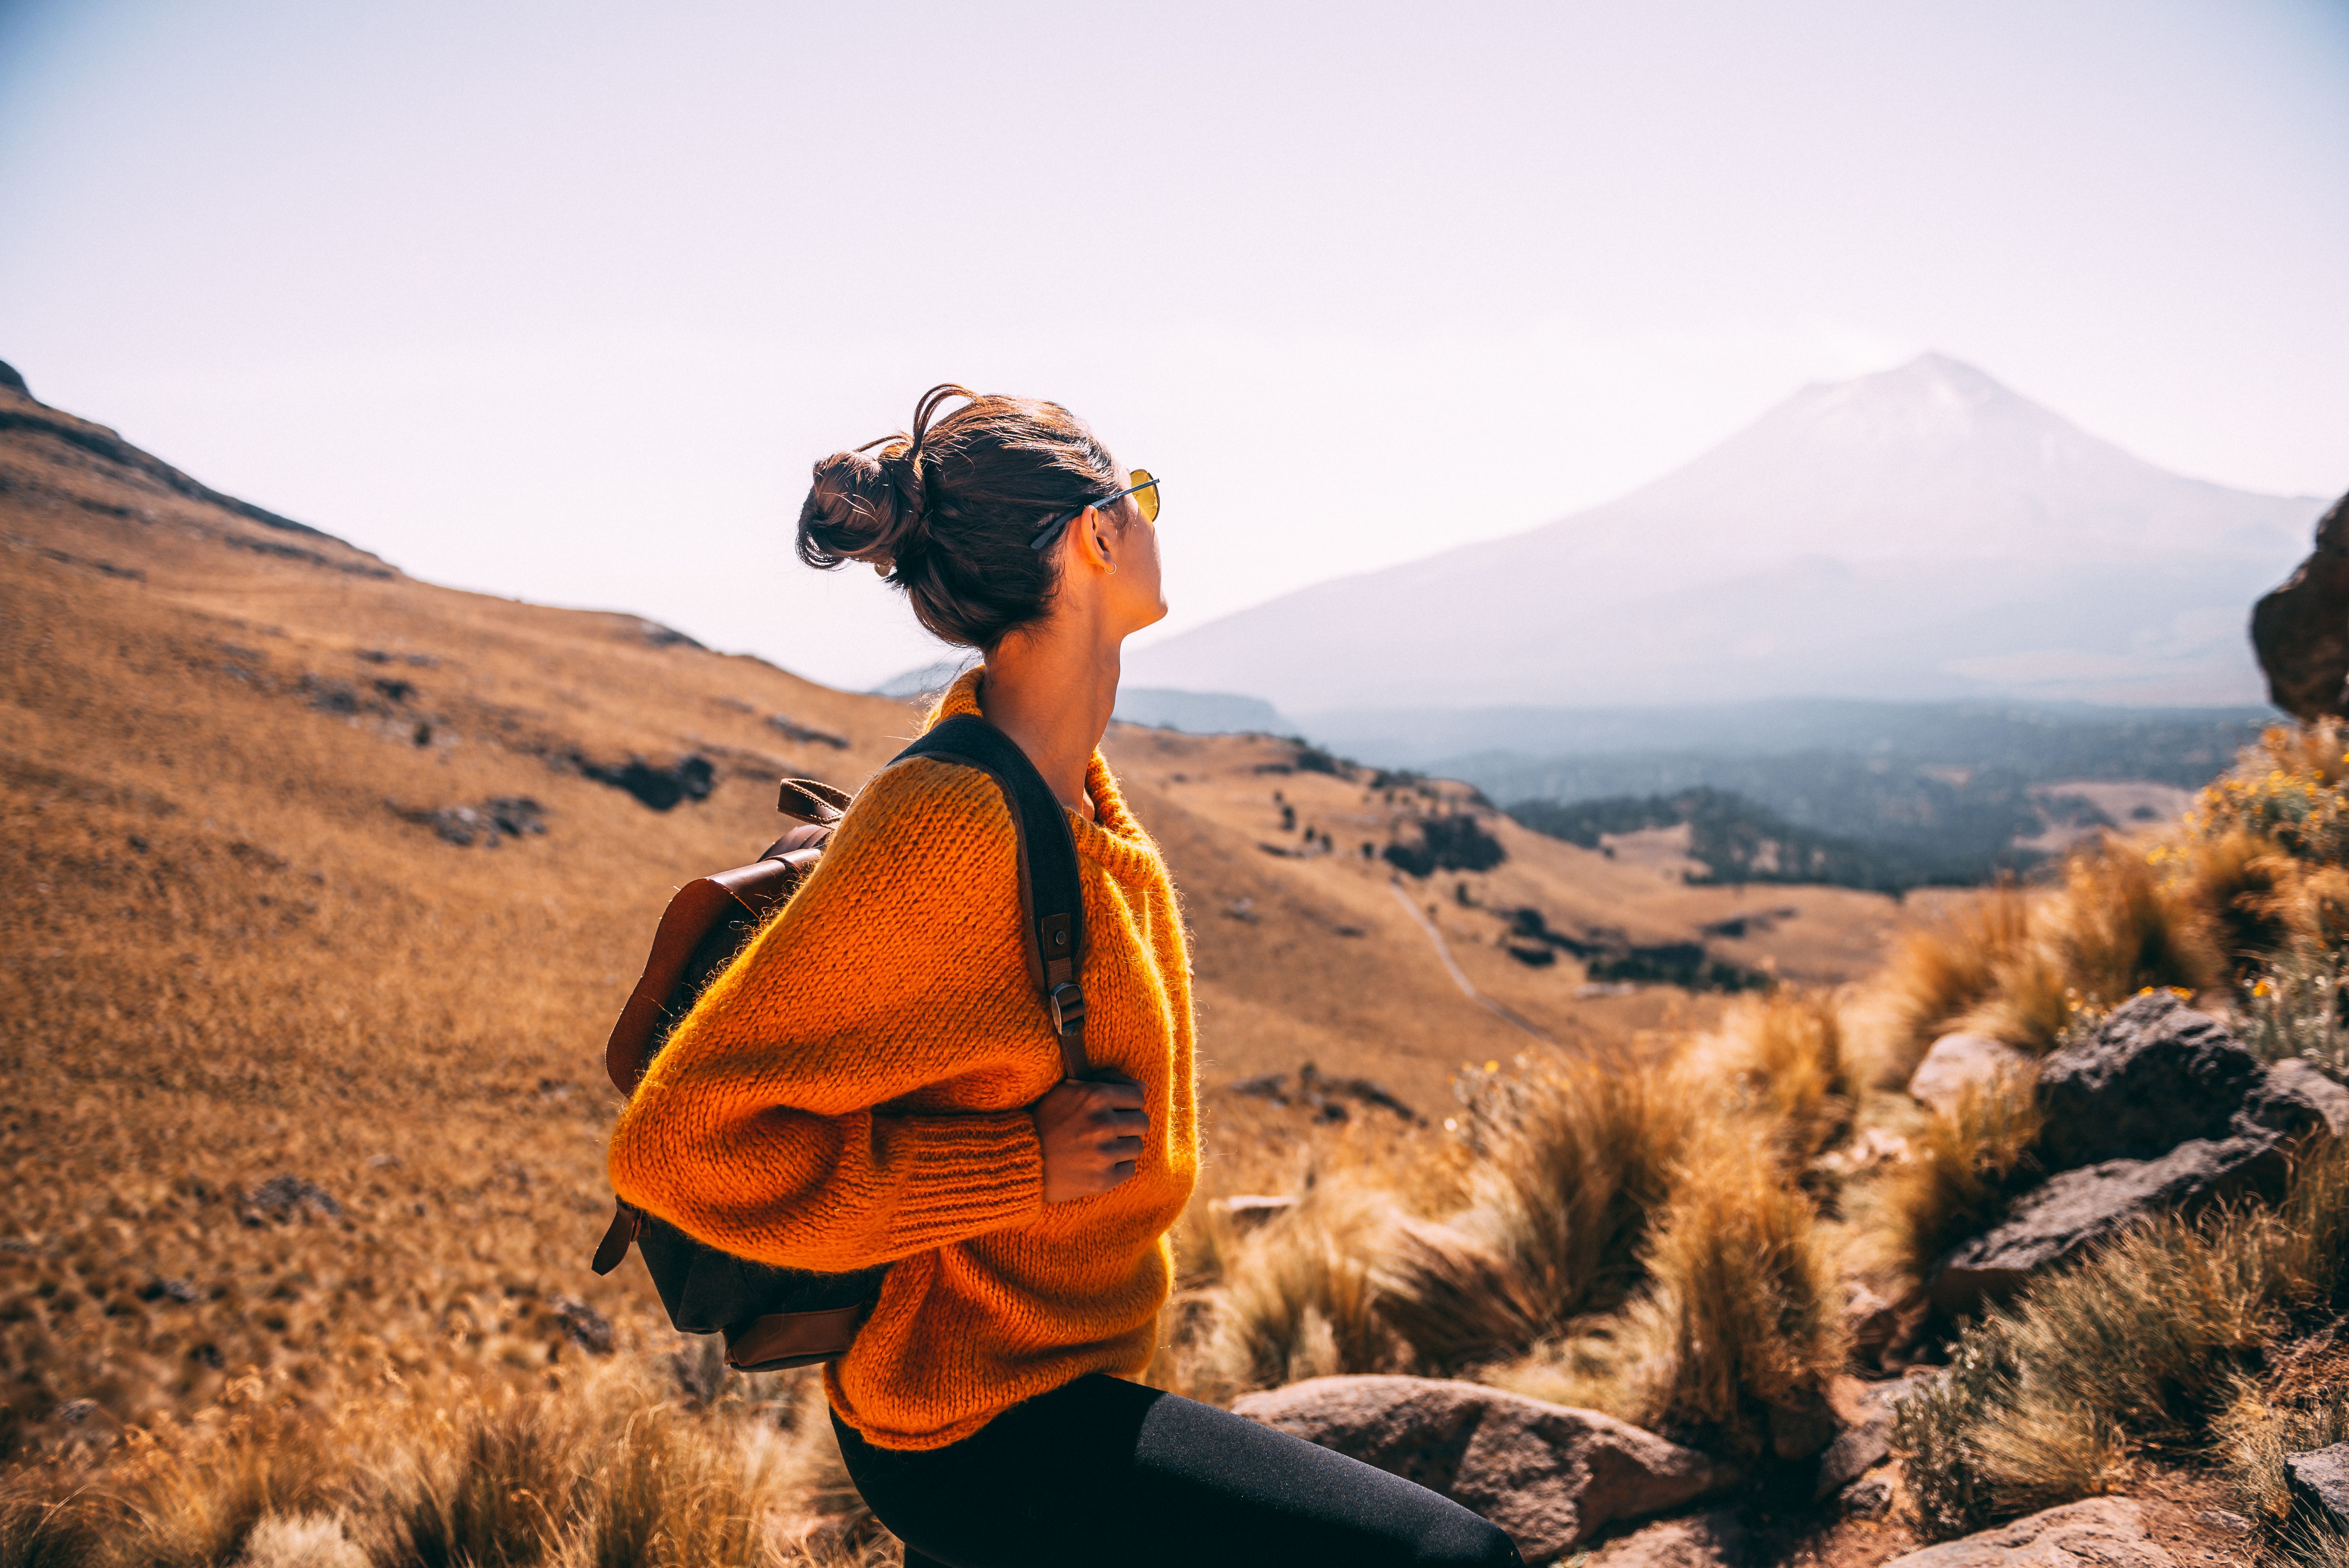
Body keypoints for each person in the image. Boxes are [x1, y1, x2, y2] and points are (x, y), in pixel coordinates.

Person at [607, 385, 1522, 1568]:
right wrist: (1019, 1166)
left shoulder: (1072, 792)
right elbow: (675, 1148)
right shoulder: (946, 826)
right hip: (974, 1427)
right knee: (1453, 1561)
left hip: (1058, 1383)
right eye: (1136, 497)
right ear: (1095, 535)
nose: (1148, 520)